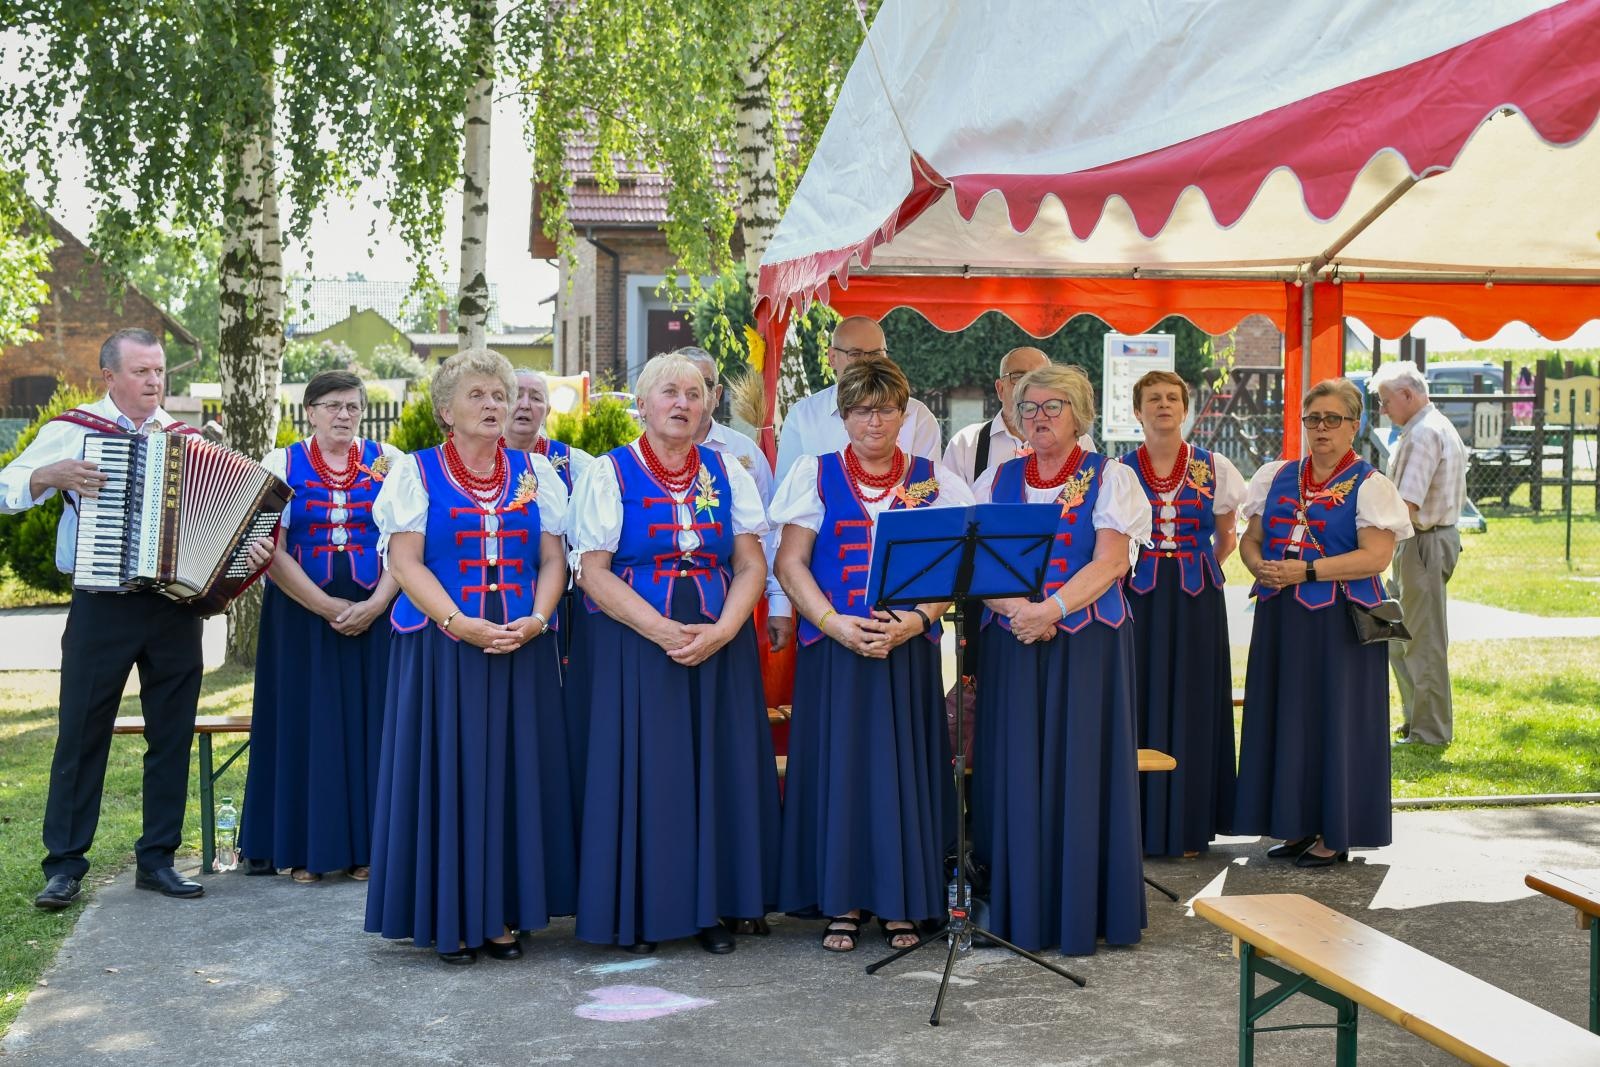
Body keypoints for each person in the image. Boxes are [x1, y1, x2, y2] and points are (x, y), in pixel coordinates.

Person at [0, 328, 270, 908]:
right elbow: (5, 488)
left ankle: (158, 859)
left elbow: (219, 525)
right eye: (143, 372)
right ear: (109, 378)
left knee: (170, 735)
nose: (154, 382)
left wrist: (246, 551)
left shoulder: (185, 439)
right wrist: (49, 476)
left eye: (159, 371)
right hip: (102, 606)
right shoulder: (74, 430)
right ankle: (64, 866)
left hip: (174, 608)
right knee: (81, 733)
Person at [366, 348, 575, 965]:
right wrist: (460, 623)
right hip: (442, 646)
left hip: (522, 642)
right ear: (445, 410)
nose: (493, 405)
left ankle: (503, 912)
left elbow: (554, 559)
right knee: (452, 773)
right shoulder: (416, 472)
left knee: (513, 773)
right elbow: (405, 562)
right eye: (477, 395)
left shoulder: (539, 474)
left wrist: (537, 620)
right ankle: (453, 915)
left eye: (499, 395)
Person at [569, 352, 779, 955]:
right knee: (647, 772)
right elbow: (593, 571)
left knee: (716, 769)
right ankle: (639, 909)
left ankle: (713, 907)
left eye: (694, 392)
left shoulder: (729, 470)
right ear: (643, 404)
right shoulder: (608, 473)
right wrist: (661, 630)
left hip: (718, 640)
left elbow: (749, 563)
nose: (683, 403)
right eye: (669, 392)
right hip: (634, 643)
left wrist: (725, 630)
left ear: (709, 403)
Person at [771, 356, 974, 953]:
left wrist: (914, 622)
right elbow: (790, 563)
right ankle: (844, 902)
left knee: (901, 774)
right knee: (842, 773)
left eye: (886, 408)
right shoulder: (816, 473)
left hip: (906, 651)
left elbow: (954, 567)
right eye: (860, 409)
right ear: (844, 417)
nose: (874, 421)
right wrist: (833, 623)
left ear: (905, 414)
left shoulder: (934, 480)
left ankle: (902, 902)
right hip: (834, 650)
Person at [970, 363, 1151, 956]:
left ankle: (1082, 909)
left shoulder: (1111, 475)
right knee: (1016, 766)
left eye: (1053, 407)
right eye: (1029, 408)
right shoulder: (996, 478)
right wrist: (1018, 609)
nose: (1040, 418)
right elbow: (974, 562)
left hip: (1086, 645)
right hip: (1013, 642)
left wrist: (1049, 610)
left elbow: (1110, 563)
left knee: (1081, 768)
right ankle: (1019, 907)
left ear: (1080, 415)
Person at [1234, 378, 1411, 867]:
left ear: (1355, 426)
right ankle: (1295, 824)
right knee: (1287, 718)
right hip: (1281, 618)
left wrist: (1305, 571)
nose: (1322, 428)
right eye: (1313, 419)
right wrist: (1259, 566)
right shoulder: (1276, 476)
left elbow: (1376, 557)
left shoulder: (1370, 484)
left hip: (1340, 623)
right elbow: (1252, 539)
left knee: (1335, 723)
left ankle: (1336, 833)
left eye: (1334, 419)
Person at [241, 371, 402, 883]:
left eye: (353, 406)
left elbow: (407, 543)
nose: (343, 415)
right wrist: (325, 606)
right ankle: (305, 849)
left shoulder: (389, 462)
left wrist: (376, 604)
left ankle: (372, 849)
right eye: (332, 405)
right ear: (309, 410)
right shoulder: (280, 463)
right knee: (307, 724)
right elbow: (271, 550)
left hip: (376, 615)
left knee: (373, 726)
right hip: (301, 617)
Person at [1118, 370, 1245, 857]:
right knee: (1141, 694)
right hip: (1139, 594)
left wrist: (1198, 568)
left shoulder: (1214, 466)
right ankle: (1141, 822)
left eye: (1173, 398)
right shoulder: (1122, 470)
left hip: (1196, 598)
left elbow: (1226, 535)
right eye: (1153, 398)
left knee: (1195, 699)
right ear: (1137, 410)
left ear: (1186, 408)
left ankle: (1189, 824)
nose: (1164, 405)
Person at [1370, 361, 1467, 747]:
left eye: (1385, 400)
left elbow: (1406, 504)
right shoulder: (1430, 426)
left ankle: (1430, 732)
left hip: (1422, 542)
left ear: (1407, 395)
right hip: (1424, 541)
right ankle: (1416, 719)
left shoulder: (1424, 433)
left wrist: (1372, 545)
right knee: (1398, 638)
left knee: (1421, 642)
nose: (1382, 409)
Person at [675, 346, 792, 654]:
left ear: (717, 392)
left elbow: (770, 531)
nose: (692, 397)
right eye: (682, 385)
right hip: (662, 600)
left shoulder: (744, 454)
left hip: (737, 599)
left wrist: (778, 601)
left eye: (704, 384)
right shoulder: (634, 459)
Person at [773, 316, 942, 485]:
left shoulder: (918, 415)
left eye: (876, 354)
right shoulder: (803, 416)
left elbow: (929, 489)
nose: (866, 362)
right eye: (855, 354)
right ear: (832, 357)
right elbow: (786, 492)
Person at [942, 347, 1095, 488]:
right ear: (1000, 389)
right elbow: (952, 510)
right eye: (1019, 376)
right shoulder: (966, 444)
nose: (1030, 385)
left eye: (1041, 377)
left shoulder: (1080, 442)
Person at [505, 369, 594, 494]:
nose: (525, 405)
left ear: (547, 411)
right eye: (516, 396)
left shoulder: (574, 464)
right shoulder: (479, 459)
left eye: (536, 398)